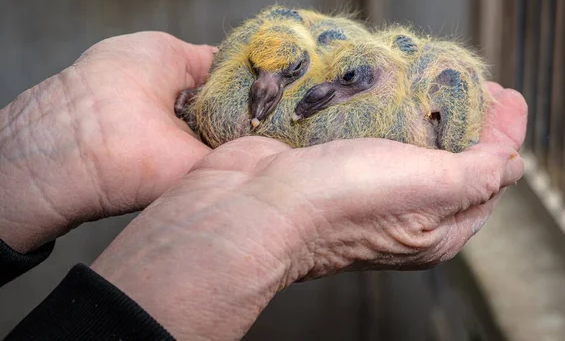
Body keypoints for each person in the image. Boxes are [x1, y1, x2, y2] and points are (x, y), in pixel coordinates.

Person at [0, 32, 527, 340]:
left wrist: (27, 154)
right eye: (264, 75)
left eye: (293, 75)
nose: (282, 91)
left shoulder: (389, 99)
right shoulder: (252, 88)